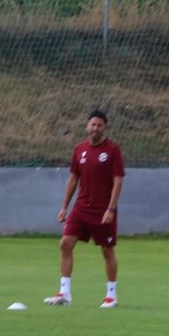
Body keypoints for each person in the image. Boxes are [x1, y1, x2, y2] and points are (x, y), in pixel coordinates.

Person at [46, 109, 125, 308]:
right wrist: (64, 206)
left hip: (103, 211)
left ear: (105, 128)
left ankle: (111, 295)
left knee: (107, 251)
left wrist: (111, 209)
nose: (95, 128)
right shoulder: (79, 149)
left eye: (99, 125)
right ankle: (64, 293)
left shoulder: (113, 150)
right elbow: (73, 179)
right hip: (81, 208)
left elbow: (118, 180)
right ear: (86, 127)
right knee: (65, 244)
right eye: (92, 124)